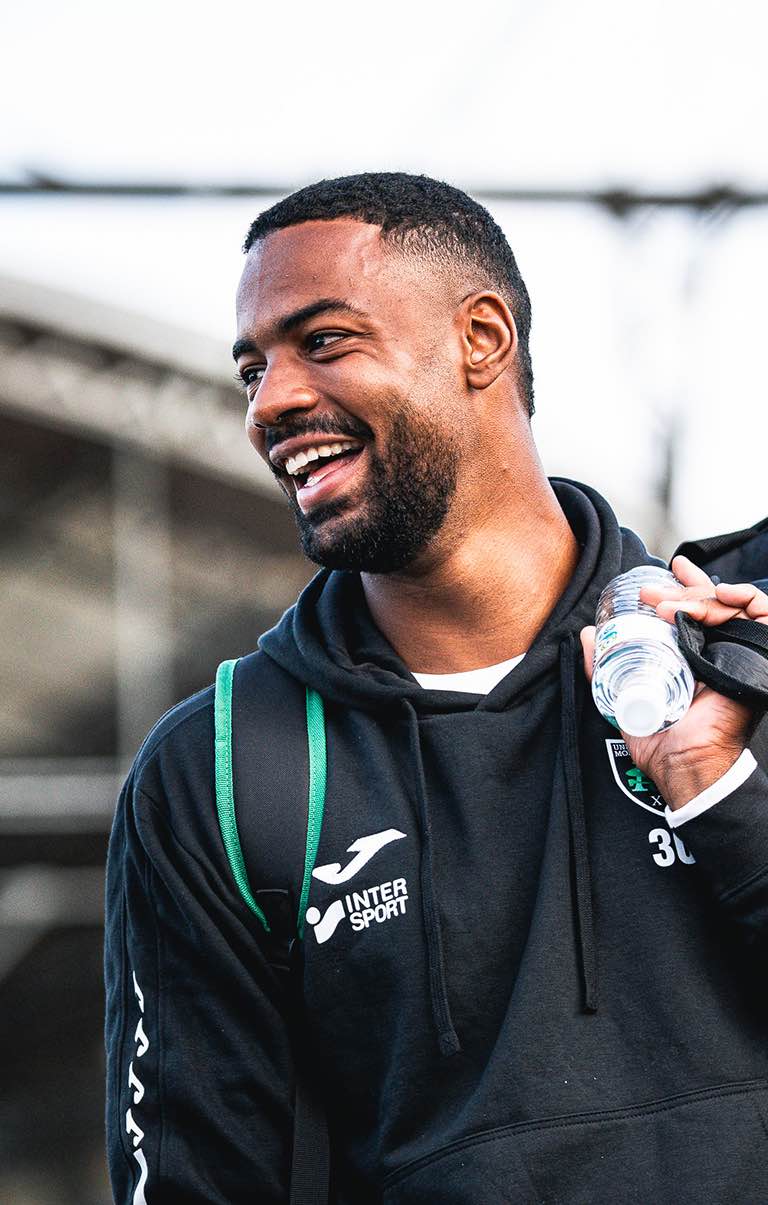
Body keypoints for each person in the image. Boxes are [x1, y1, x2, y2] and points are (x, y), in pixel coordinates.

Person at [105, 173, 768, 1204]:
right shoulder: (222, 774)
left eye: (323, 341)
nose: (270, 402)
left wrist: (720, 791)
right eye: (253, 369)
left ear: (481, 339)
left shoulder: (739, 661)